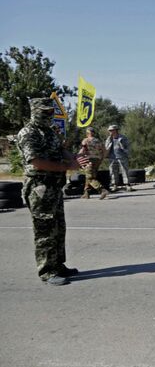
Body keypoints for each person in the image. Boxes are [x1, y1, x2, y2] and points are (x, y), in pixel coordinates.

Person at [16, 98, 89, 286]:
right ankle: (47, 271)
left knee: (58, 228)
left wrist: (75, 159)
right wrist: (66, 166)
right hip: (39, 187)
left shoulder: (51, 131)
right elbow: (36, 161)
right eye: (44, 111)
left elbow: (61, 150)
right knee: (45, 231)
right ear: (34, 111)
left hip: (54, 186)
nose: (48, 115)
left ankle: (57, 264)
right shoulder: (28, 133)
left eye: (50, 111)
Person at [78, 127, 109, 199]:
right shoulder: (98, 141)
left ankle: (102, 190)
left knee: (90, 177)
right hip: (97, 160)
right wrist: (102, 158)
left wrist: (77, 157)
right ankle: (86, 193)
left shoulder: (85, 140)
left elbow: (83, 150)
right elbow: (104, 150)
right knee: (89, 175)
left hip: (89, 160)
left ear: (87, 133)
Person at [105, 124, 134, 192]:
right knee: (113, 171)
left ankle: (127, 185)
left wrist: (125, 151)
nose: (110, 132)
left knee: (124, 170)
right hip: (112, 157)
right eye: (109, 130)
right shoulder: (109, 139)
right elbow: (106, 147)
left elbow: (128, 147)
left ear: (116, 130)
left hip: (122, 157)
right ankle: (115, 185)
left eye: (111, 130)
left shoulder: (123, 138)